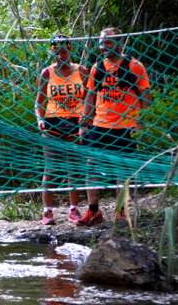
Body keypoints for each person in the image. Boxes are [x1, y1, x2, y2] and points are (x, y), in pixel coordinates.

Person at [76, 27, 152, 227]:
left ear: (120, 43)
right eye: (101, 43)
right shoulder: (97, 67)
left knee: (122, 170)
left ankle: (121, 212)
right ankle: (93, 211)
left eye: (107, 42)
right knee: (91, 165)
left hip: (125, 126)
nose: (103, 47)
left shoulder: (134, 66)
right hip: (100, 125)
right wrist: (84, 123)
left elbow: (146, 96)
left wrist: (142, 122)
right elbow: (90, 98)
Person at [34, 35, 89, 225]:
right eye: (56, 52)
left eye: (63, 51)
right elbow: (38, 103)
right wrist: (40, 119)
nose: (60, 55)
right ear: (52, 51)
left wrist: (86, 120)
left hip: (76, 123)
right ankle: (47, 212)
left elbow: (91, 97)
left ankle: (73, 210)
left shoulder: (80, 70)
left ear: (70, 50)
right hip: (52, 124)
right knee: (51, 167)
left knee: (74, 167)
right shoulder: (47, 72)